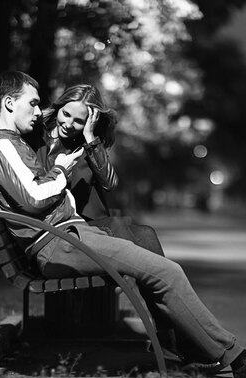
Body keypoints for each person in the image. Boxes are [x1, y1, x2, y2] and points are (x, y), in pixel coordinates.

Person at [0, 70, 246, 378]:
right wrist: (60, 170)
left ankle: (193, 348)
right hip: (59, 242)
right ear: (8, 103)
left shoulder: (3, 143)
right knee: (167, 272)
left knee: (152, 257)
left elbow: (4, 173)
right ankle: (238, 361)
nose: (38, 109)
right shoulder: (2, 144)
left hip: (70, 235)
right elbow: (34, 197)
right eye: (32, 102)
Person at [35, 84, 164, 256]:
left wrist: (90, 137)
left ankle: (145, 281)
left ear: (90, 122)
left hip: (91, 224)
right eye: (66, 114)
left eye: (79, 121)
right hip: (66, 227)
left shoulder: (89, 145)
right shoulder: (38, 139)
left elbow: (110, 183)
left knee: (147, 234)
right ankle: (133, 281)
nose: (68, 124)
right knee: (121, 229)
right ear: (58, 108)